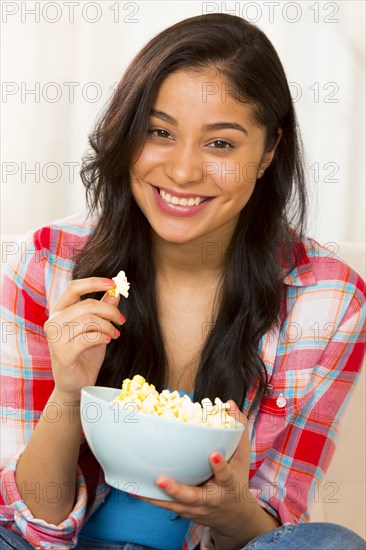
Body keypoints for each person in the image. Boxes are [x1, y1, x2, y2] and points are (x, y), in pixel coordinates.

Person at [0, 12, 365, 550]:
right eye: (159, 132)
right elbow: (31, 521)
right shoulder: (44, 263)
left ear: (267, 153)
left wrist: (231, 506)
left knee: (329, 544)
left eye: (220, 144)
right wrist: (71, 391)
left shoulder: (330, 301)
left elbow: (278, 526)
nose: (182, 172)